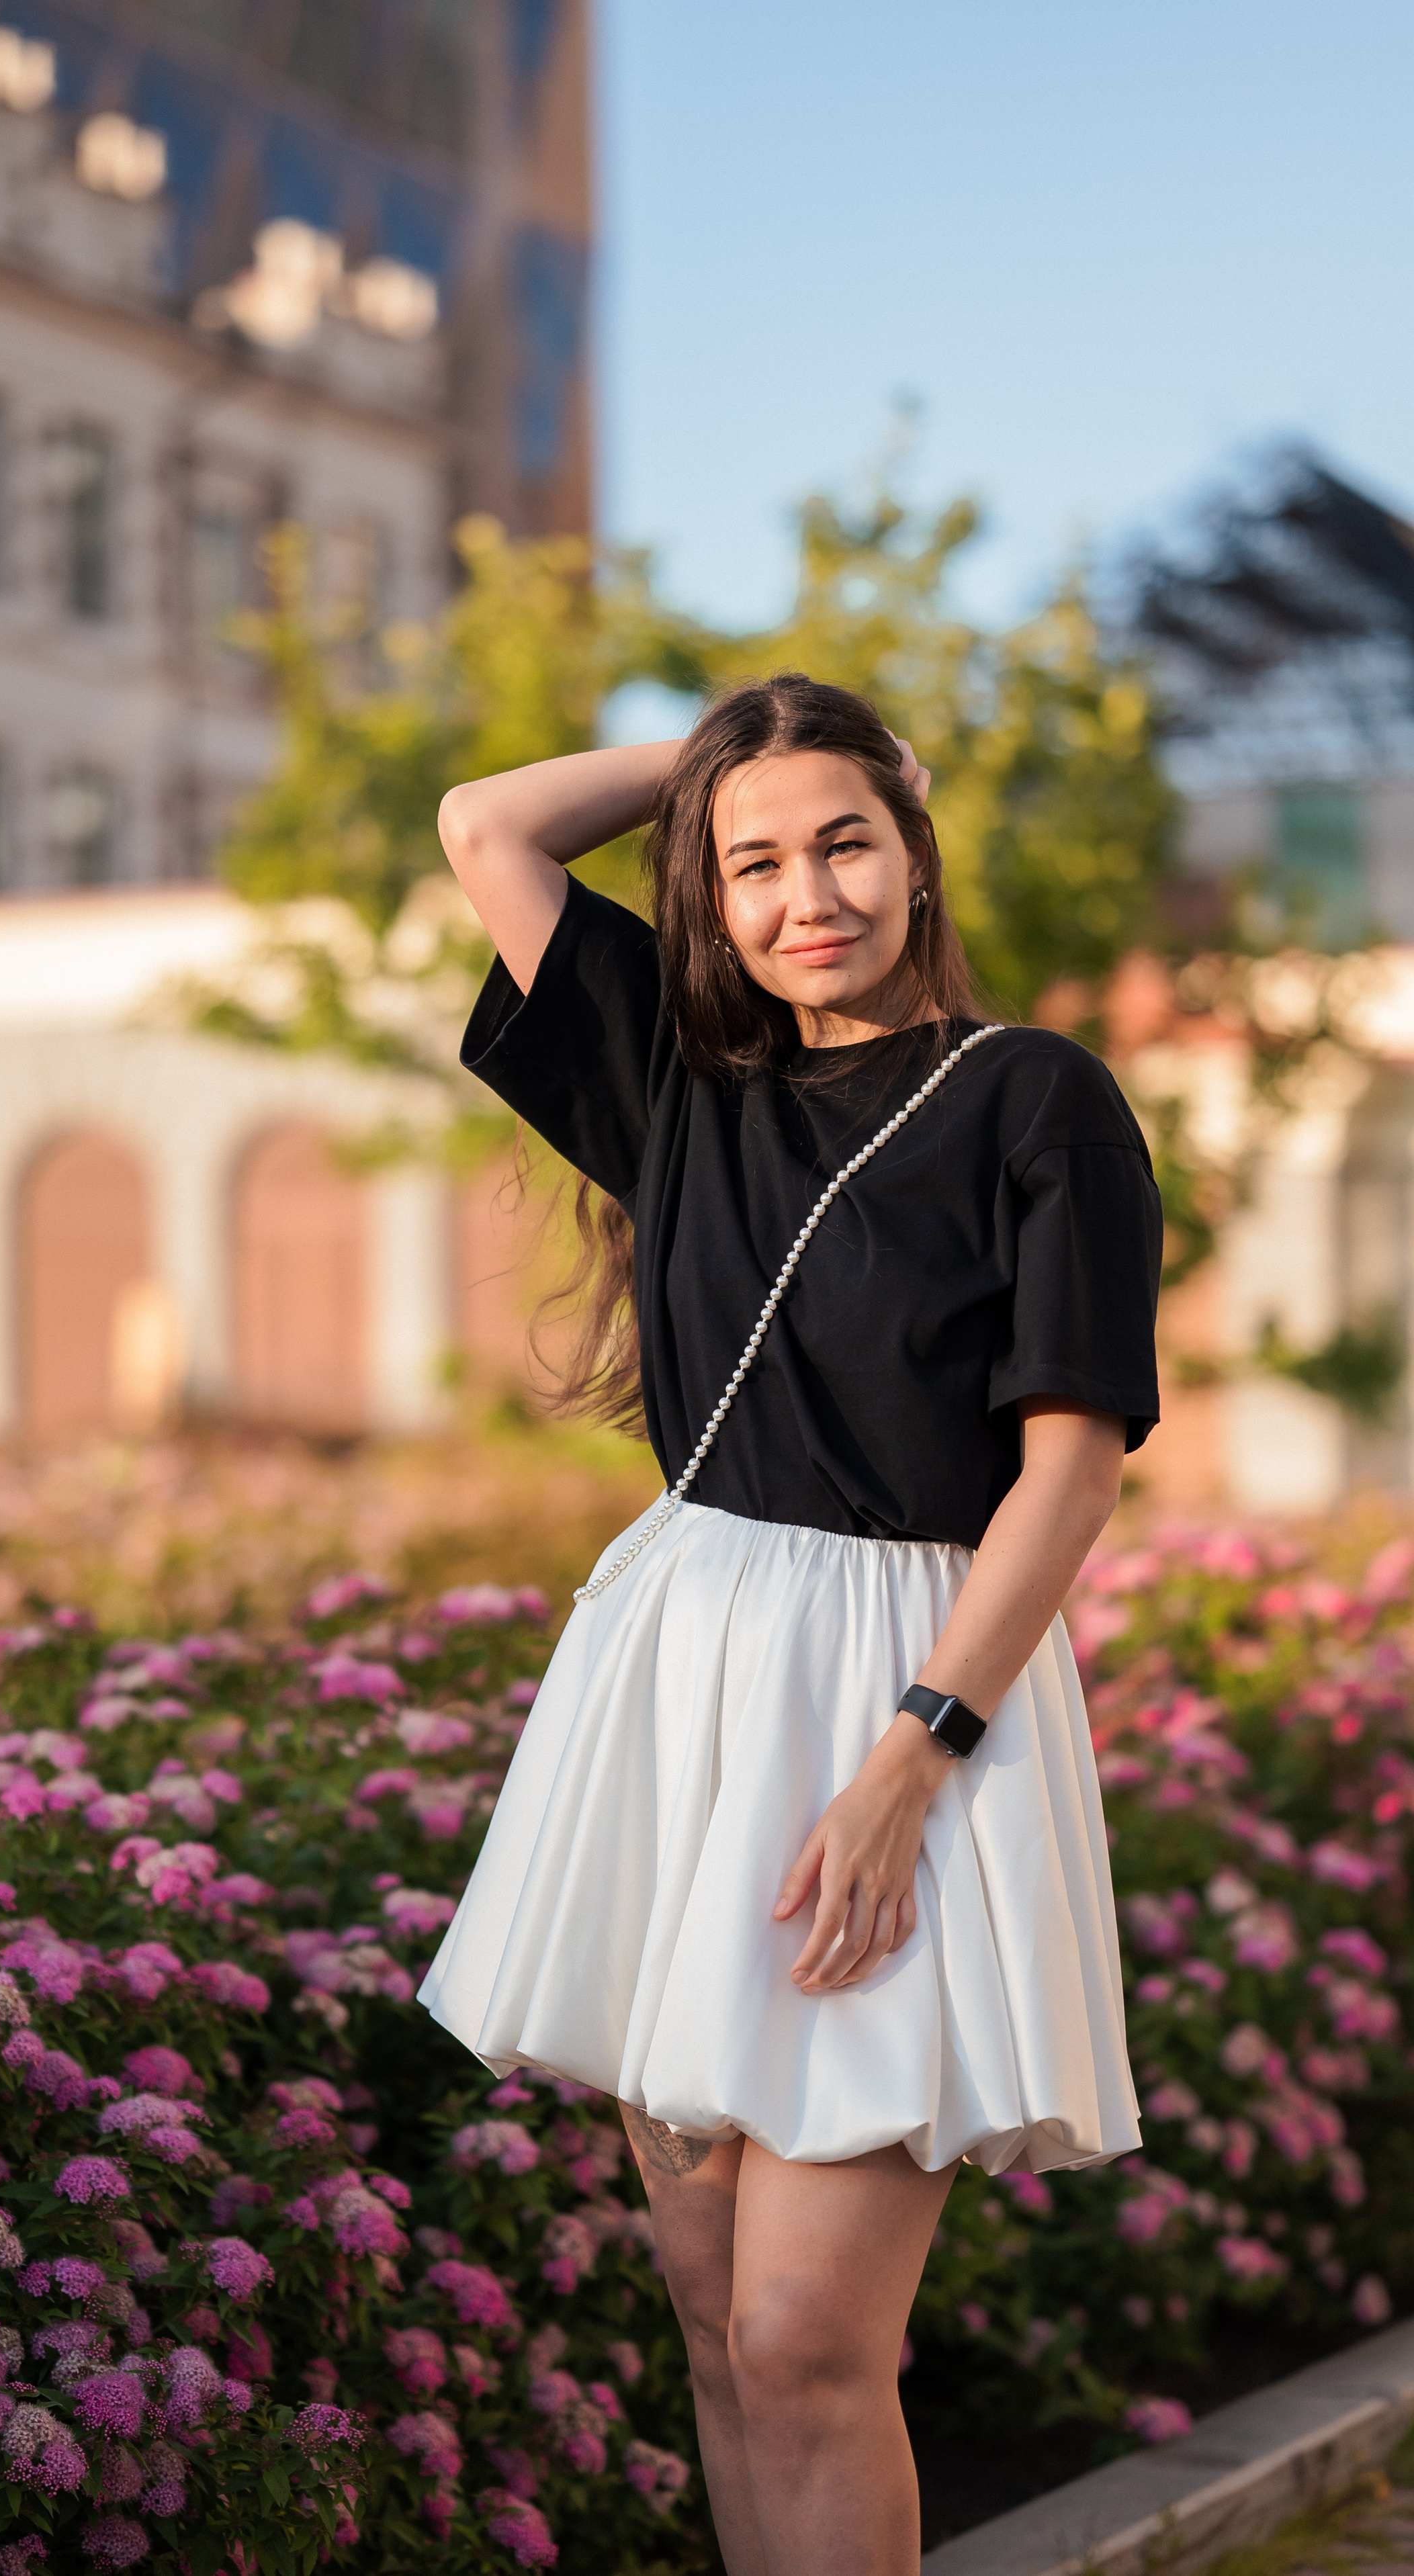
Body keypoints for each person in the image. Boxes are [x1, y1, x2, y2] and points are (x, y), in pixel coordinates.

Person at [417, 673, 1161, 2576]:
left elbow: (1069, 1470)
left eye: (845, 838)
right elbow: (488, 821)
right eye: (750, 863)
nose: (801, 892)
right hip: (685, 1694)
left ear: (915, 847)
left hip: (909, 1694)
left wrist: (916, 1755)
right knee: (709, 2316)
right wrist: (731, 757)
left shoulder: (1037, 1098)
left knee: (805, 2336)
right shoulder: (678, 1077)